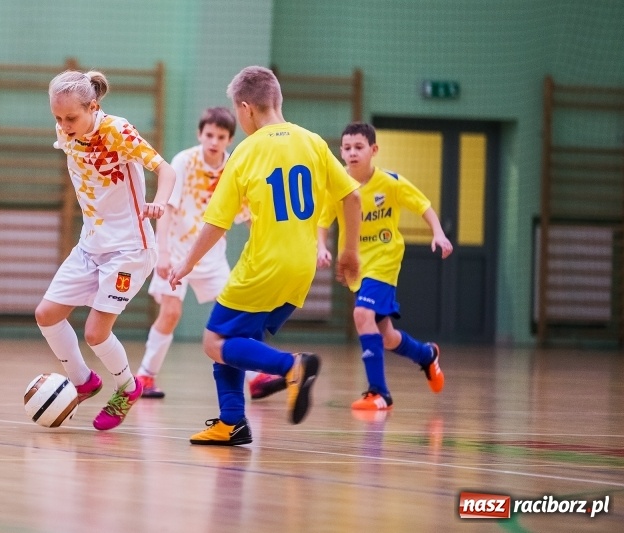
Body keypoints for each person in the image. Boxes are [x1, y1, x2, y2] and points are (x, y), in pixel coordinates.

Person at [167, 66, 362, 446]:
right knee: (240, 338)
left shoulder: (244, 152)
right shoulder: (313, 142)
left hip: (264, 266)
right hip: (302, 268)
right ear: (278, 101)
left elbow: (216, 223)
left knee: (214, 341)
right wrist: (349, 251)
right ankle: (232, 422)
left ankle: (291, 367)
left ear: (245, 108)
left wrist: (185, 264)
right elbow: (351, 197)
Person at [35, 69, 176, 431]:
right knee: (47, 314)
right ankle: (84, 381)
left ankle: (128, 388)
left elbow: (167, 171)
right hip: (91, 244)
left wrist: (159, 203)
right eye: (58, 118)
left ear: (93, 107)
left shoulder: (116, 130)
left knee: (96, 332)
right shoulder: (65, 131)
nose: (64, 125)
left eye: (71, 118)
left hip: (129, 247)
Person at [318, 121, 452, 411]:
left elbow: (423, 205)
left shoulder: (390, 182)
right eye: (348, 148)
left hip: (384, 261)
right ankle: (426, 355)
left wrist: (438, 233)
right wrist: (321, 247)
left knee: (362, 314)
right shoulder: (339, 185)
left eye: (359, 147)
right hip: (357, 267)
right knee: (387, 337)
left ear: (373, 150)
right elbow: (323, 221)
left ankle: (379, 393)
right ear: (341, 152)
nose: (353, 153)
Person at [135, 107, 246, 399]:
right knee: (171, 313)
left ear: (229, 140)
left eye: (221, 136)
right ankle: (145, 376)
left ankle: (256, 378)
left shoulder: (234, 166)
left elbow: (246, 214)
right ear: (200, 134)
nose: (213, 141)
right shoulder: (184, 161)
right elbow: (168, 208)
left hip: (211, 255)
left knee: (236, 313)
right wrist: (164, 253)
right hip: (177, 249)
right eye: (209, 134)